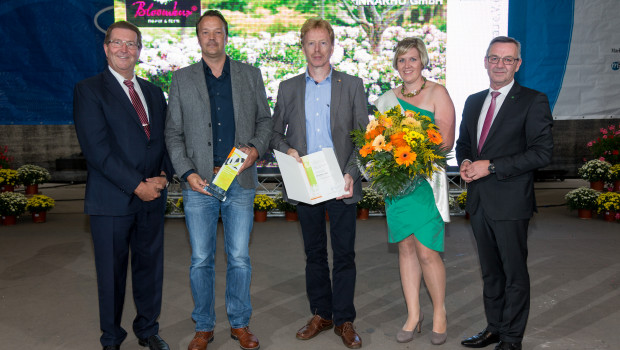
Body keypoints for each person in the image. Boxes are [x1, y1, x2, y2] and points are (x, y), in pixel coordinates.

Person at [164, 10, 273, 350]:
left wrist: (255, 149)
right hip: (199, 185)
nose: (211, 38)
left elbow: (265, 122)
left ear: (227, 36)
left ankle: (240, 324)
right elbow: (173, 133)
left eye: (217, 32)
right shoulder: (182, 80)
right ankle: (204, 326)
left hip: (239, 183)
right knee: (200, 259)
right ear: (198, 38)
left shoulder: (249, 75)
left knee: (240, 257)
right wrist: (187, 173)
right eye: (205, 32)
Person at [73, 21, 173, 350]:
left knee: (149, 270)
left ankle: (148, 330)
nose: (124, 50)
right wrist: (136, 185)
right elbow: (97, 150)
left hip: (152, 199)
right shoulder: (89, 90)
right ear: (106, 48)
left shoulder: (155, 92)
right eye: (117, 43)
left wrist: (163, 175)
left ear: (139, 50)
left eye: (131, 44)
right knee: (111, 276)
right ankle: (111, 338)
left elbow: (165, 140)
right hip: (112, 200)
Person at [270, 17, 369, 349]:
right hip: (305, 182)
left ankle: (344, 319)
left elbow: (364, 139)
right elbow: (273, 133)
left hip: (340, 182)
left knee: (343, 254)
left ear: (332, 45)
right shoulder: (288, 87)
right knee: (314, 253)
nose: (317, 49)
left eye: (322, 42)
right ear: (302, 46)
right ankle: (321, 314)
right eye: (310, 43)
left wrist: (351, 174)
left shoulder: (352, 85)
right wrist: (289, 150)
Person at [456, 36, 553, 350]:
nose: (500, 65)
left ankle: (512, 339)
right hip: (480, 202)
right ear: (485, 61)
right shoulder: (473, 101)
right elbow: (464, 145)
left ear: (518, 65)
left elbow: (542, 153)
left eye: (507, 59)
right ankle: (494, 329)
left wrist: (492, 166)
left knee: (513, 274)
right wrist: (468, 161)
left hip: (511, 203)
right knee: (490, 273)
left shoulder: (533, 100)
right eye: (494, 58)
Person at [374, 37, 455, 346]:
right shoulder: (386, 100)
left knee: (427, 250)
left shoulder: (438, 93)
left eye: (412, 59)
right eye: (401, 60)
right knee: (405, 247)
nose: (406, 65)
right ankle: (413, 314)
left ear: (422, 61)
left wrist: (417, 145)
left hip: (426, 183)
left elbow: (446, 141)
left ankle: (439, 314)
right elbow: (378, 142)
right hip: (397, 183)